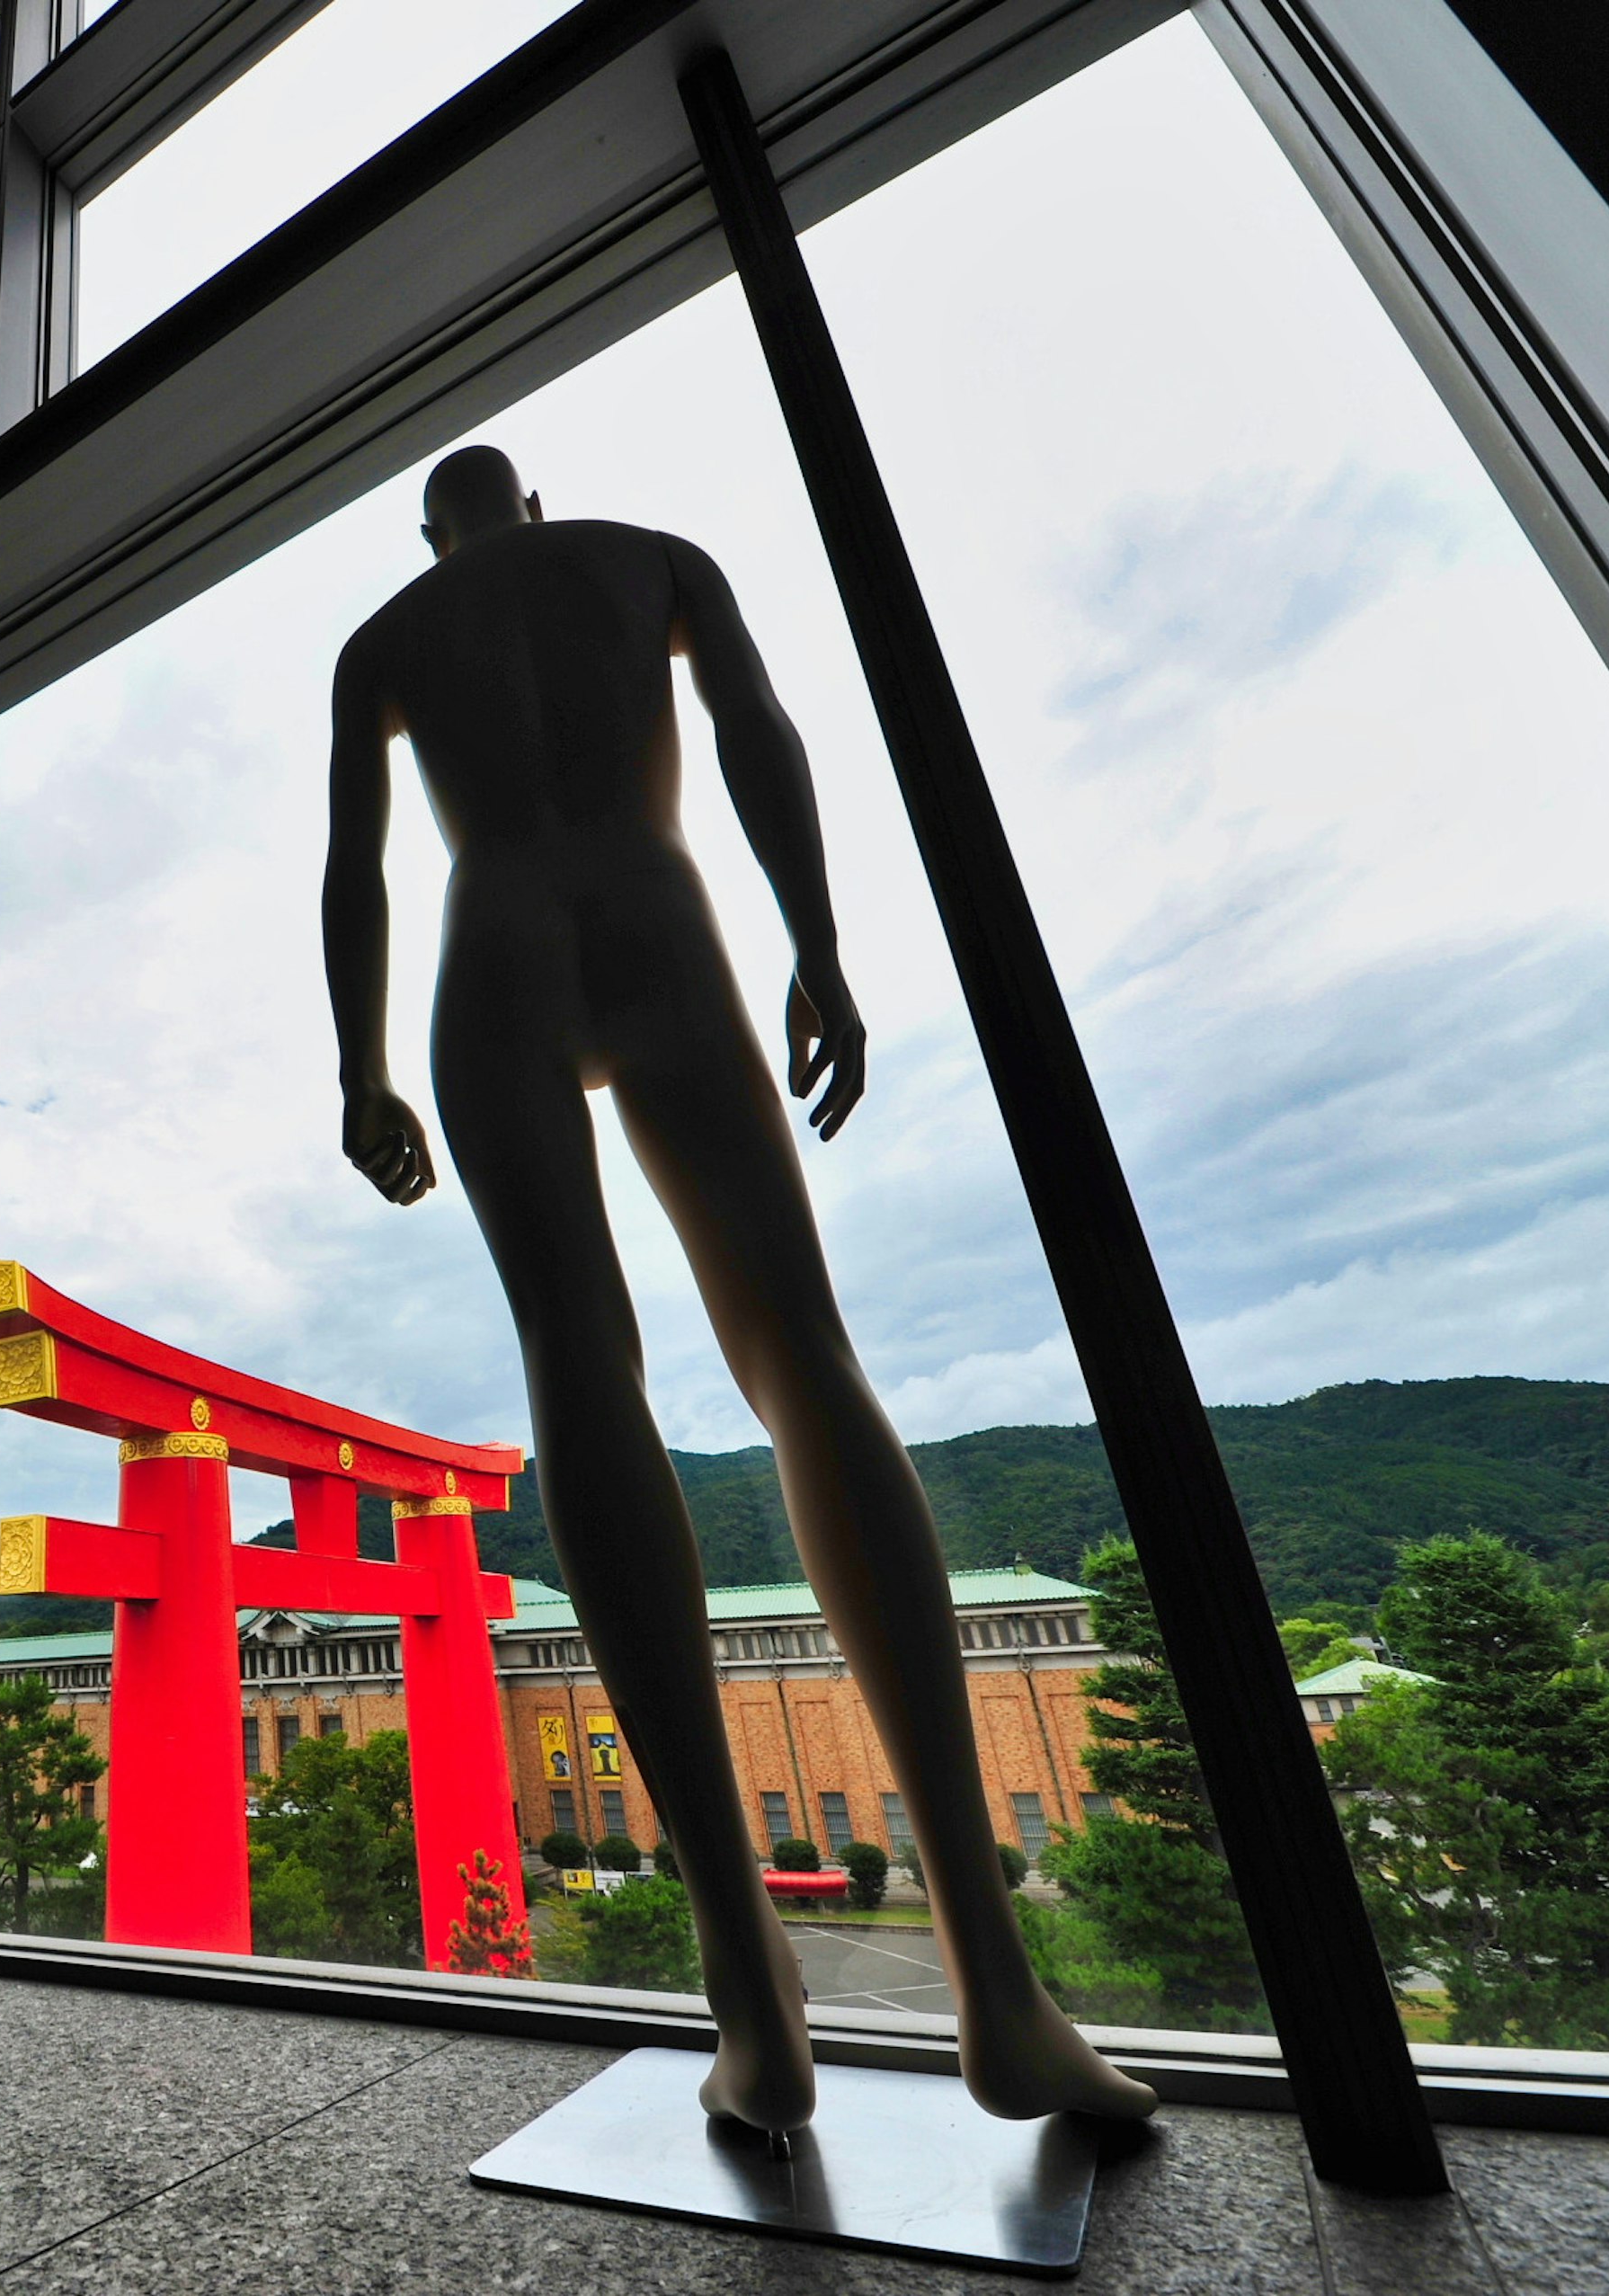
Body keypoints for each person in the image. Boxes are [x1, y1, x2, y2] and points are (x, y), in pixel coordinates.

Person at [320, 446, 1154, 2132]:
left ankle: (751, 1991)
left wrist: (357, 1067)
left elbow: (361, 867)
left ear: (434, 534)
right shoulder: (648, 555)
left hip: (491, 948)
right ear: (536, 508)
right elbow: (758, 736)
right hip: (655, 905)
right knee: (803, 1357)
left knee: (579, 1363)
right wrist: (819, 938)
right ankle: (998, 1982)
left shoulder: (387, 636)